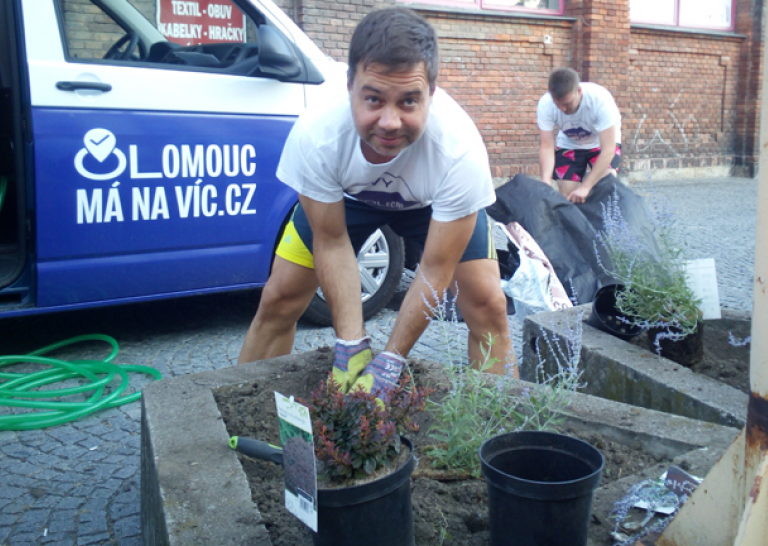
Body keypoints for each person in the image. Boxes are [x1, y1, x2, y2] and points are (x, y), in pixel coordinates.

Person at [237, 7, 515, 397]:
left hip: (431, 204)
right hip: (349, 199)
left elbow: (435, 269)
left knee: (489, 306)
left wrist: (392, 359)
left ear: (431, 95)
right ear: (350, 85)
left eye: (408, 102)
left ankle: (494, 435)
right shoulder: (317, 133)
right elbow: (331, 242)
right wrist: (351, 344)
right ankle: (247, 411)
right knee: (279, 297)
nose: (389, 122)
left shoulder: (460, 149)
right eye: (373, 99)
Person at [537, 67, 622, 204]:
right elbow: (547, 145)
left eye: (567, 103)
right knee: (568, 194)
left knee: (607, 186)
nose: (563, 109)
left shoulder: (600, 100)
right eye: (558, 104)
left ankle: (603, 223)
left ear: (579, 91)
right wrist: (545, 181)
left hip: (600, 142)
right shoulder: (545, 104)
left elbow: (608, 150)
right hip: (570, 143)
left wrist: (586, 187)